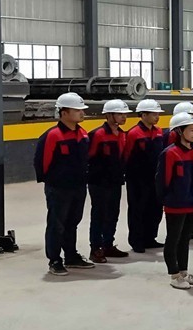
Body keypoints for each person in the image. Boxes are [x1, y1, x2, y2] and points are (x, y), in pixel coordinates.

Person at [34, 92, 93, 276]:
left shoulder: (83, 134)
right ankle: (54, 259)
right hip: (59, 188)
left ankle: (71, 255)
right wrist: (53, 182)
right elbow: (42, 162)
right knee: (56, 224)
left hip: (78, 186)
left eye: (82, 110)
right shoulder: (52, 135)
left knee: (72, 222)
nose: (82, 113)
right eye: (77, 110)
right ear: (64, 113)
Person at [156, 113, 193, 290]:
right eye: (191, 130)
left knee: (185, 239)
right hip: (176, 203)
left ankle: (184, 272)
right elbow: (163, 180)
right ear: (179, 131)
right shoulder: (170, 153)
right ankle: (174, 275)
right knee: (173, 239)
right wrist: (168, 199)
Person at [87, 99, 131, 264]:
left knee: (113, 213)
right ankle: (95, 248)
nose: (124, 117)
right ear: (109, 115)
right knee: (99, 214)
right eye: (120, 114)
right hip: (99, 182)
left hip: (115, 181)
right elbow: (89, 158)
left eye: (124, 114)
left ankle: (108, 245)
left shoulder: (122, 134)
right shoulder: (97, 134)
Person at [124, 99, 165, 253]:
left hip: (155, 177)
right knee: (138, 209)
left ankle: (150, 238)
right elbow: (127, 155)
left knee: (155, 209)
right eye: (154, 114)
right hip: (138, 179)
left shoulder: (159, 131)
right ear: (143, 115)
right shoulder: (134, 133)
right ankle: (137, 241)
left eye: (158, 114)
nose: (157, 117)